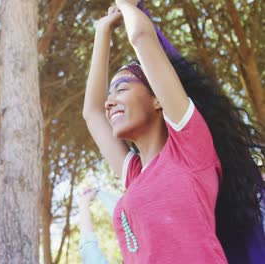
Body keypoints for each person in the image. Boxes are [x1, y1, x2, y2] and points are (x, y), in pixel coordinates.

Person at [79, 0, 265, 263]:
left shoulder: (189, 148)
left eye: (121, 89)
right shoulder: (135, 175)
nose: (109, 103)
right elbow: (92, 113)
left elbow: (142, 36)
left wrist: (125, 4)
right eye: (110, 95)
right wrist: (102, 30)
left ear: (158, 99)